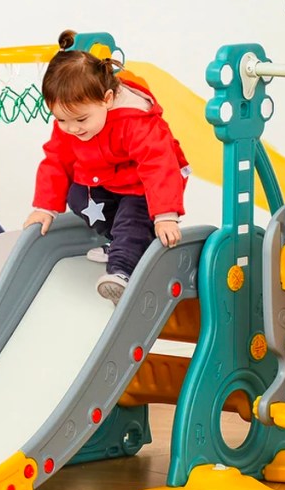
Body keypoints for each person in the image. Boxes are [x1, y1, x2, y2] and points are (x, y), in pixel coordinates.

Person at [23, 31, 189, 304]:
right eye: (62, 120)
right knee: (78, 196)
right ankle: (124, 242)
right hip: (104, 179)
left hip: (142, 185)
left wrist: (165, 215)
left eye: (80, 119)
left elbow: (158, 164)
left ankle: (121, 272)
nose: (71, 128)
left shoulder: (135, 120)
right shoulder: (70, 122)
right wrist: (45, 207)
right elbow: (56, 160)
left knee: (132, 216)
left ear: (108, 99)